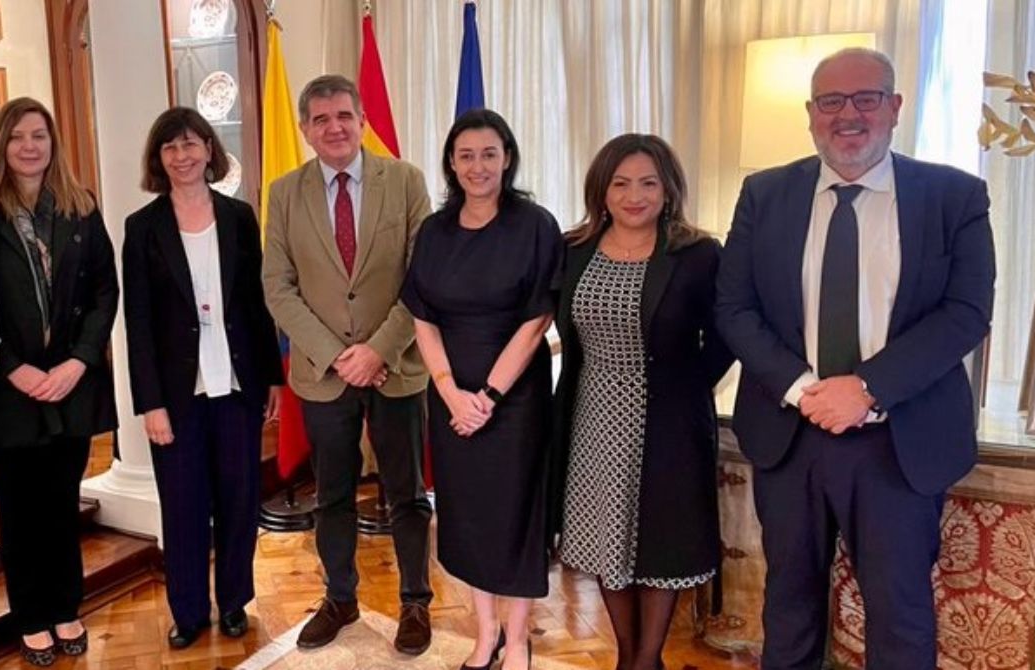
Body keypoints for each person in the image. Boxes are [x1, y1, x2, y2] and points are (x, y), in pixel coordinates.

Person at [716, 48, 995, 669]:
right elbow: (733, 307)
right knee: (788, 609)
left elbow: (966, 312)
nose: (848, 115)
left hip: (899, 440)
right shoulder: (764, 194)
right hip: (791, 434)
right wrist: (803, 389)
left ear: (894, 107)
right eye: (831, 102)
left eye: (866, 98)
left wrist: (866, 388)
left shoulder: (954, 196)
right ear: (810, 113)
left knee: (899, 617)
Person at [262, 74, 435, 655]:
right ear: (305, 129)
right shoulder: (284, 193)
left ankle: (415, 602)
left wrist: (378, 350)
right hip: (324, 374)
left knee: (406, 494)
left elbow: (422, 278)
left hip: (396, 366)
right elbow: (278, 286)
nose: (334, 127)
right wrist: (339, 356)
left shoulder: (405, 181)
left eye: (343, 115)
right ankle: (340, 598)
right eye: (321, 119)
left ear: (361, 120)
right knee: (331, 494)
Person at [551, 133, 733, 670]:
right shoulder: (573, 249)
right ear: (601, 191)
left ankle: (645, 659)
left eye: (648, 183)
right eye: (621, 184)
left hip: (669, 419)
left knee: (661, 542)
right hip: (592, 414)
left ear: (668, 189)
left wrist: (686, 386)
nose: (635, 196)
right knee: (606, 537)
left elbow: (725, 336)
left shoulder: (697, 253)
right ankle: (629, 656)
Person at [400, 109, 559, 670]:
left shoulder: (535, 225)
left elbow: (537, 321)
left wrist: (488, 397)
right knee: (467, 518)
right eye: (466, 155)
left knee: (514, 517)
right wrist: (450, 393)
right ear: (451, 162)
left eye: (489, 154)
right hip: (451, 400)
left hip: (515, 401)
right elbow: (422, 317)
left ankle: (518, 639)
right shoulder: (434, 231)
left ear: (507, 157)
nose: (478, 166)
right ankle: (486, 631)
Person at [122, 106, 284, 649]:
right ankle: (188, 611)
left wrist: (273, 377)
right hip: (177, 395)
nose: (182, 155)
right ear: (158, 158)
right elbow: (138, 322)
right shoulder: (142, 228)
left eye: (191, 144)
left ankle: (234, 601)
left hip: (237, 385)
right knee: (183, 505)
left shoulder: (238, 216)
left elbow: (257, 303)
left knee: (239, 499)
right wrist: (150, 403)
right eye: (170, 147)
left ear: (209, 149)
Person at [0, 97, 119, 665]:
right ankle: (31, 616)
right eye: (17, 137)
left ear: (53, 143)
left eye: (39, 135)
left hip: (71, 383)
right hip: (9, 388)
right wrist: (13, 367)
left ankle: (65, 606)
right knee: (19, 509)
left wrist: (79, 361)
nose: (29, 146)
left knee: (60, 503)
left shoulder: (81, 206)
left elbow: (104, 290)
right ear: (1, 145)